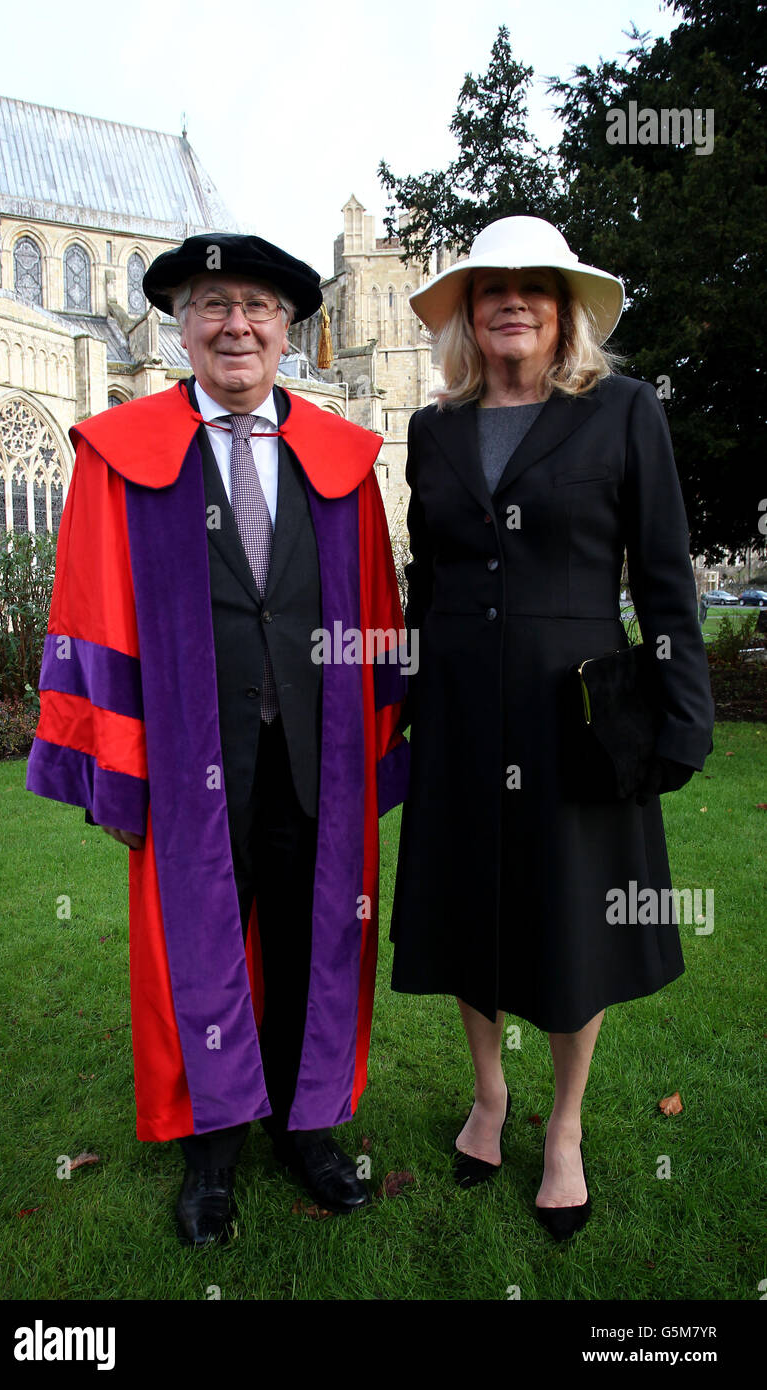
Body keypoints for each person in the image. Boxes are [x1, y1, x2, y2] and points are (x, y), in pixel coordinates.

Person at [26, 232, 409, 1245]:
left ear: (291, 329)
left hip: (313, 756)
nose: (237, 324)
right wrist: (114, 766)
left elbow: (374, 610)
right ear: (181, 326)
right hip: (188, 759)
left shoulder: (341, 461)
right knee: (196, 953)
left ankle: (309, 1128)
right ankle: (212, 1153)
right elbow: (91, 611)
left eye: (259, 308)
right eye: (213, 305)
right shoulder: (123, 456)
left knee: (313, 938)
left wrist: (373, 741)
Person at [389, 216, 714, 1239]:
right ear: (468, 314)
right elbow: (427, 577)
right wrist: (403, 690)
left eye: (534, 286)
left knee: (573, 920)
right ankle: (489, 1095)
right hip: (457, 715)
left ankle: (562, 1126)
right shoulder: (434, 430)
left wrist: (680, 711)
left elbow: (663, 577)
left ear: (563, 308)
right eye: (490, 287)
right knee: (466, 910)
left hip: (576, 716)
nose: (511, 300)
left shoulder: (620, 412)